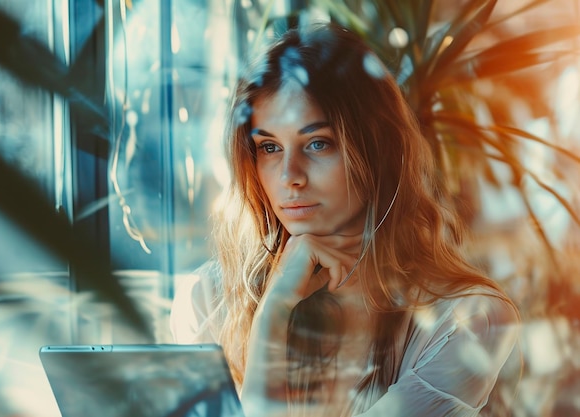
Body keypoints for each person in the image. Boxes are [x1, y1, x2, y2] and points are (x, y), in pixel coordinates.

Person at [170, 21, 520, 417]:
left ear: (377, 152)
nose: (290, 176)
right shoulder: (208, 300)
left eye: (318, 143)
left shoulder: (469, 320)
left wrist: (274, 315)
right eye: (269, 147)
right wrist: (272, 311)